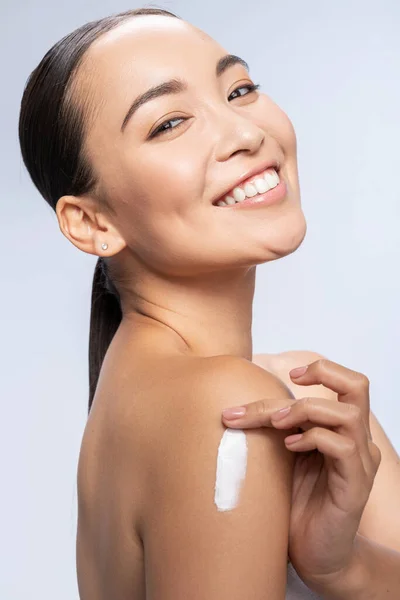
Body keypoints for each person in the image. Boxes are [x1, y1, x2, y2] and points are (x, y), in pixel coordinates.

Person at [18, 7, 400, 599]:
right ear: (92, 224)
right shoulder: (224, 408)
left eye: (240, 89)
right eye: (170, 123)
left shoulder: (311, 402)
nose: (246, 133)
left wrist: (344, 567)